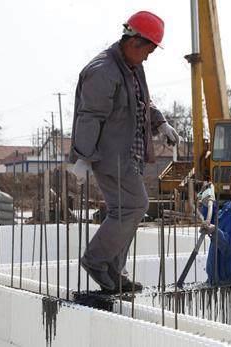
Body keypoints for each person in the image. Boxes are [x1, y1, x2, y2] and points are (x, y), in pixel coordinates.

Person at [69, 11, 179, 293]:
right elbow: (89, 116)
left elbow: (142, 102)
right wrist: (82, 156)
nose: (148, 58)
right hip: (109, 156)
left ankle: (114, 270)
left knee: (126, 211)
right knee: (134, 206)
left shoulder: (131, 67)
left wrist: (160, 122)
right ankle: (96, 260)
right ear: (135, 42)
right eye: (148, 51)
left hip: (130, 155)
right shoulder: (103, 71)